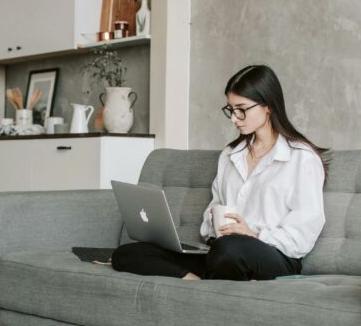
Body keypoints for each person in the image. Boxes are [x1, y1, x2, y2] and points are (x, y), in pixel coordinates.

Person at [111, 65, 328, 281]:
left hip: (274, 255)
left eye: (241, 109)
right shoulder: (231, 155)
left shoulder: (301, 158)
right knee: (128, 253)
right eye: (230, 109)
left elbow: (304, 232)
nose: (234, 118)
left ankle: (213, 275)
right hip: (222, 252)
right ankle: (195, 281)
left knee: (228, 250)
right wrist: (214, 222)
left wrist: (253, 234)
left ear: (268, 106)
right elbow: (213, 210)